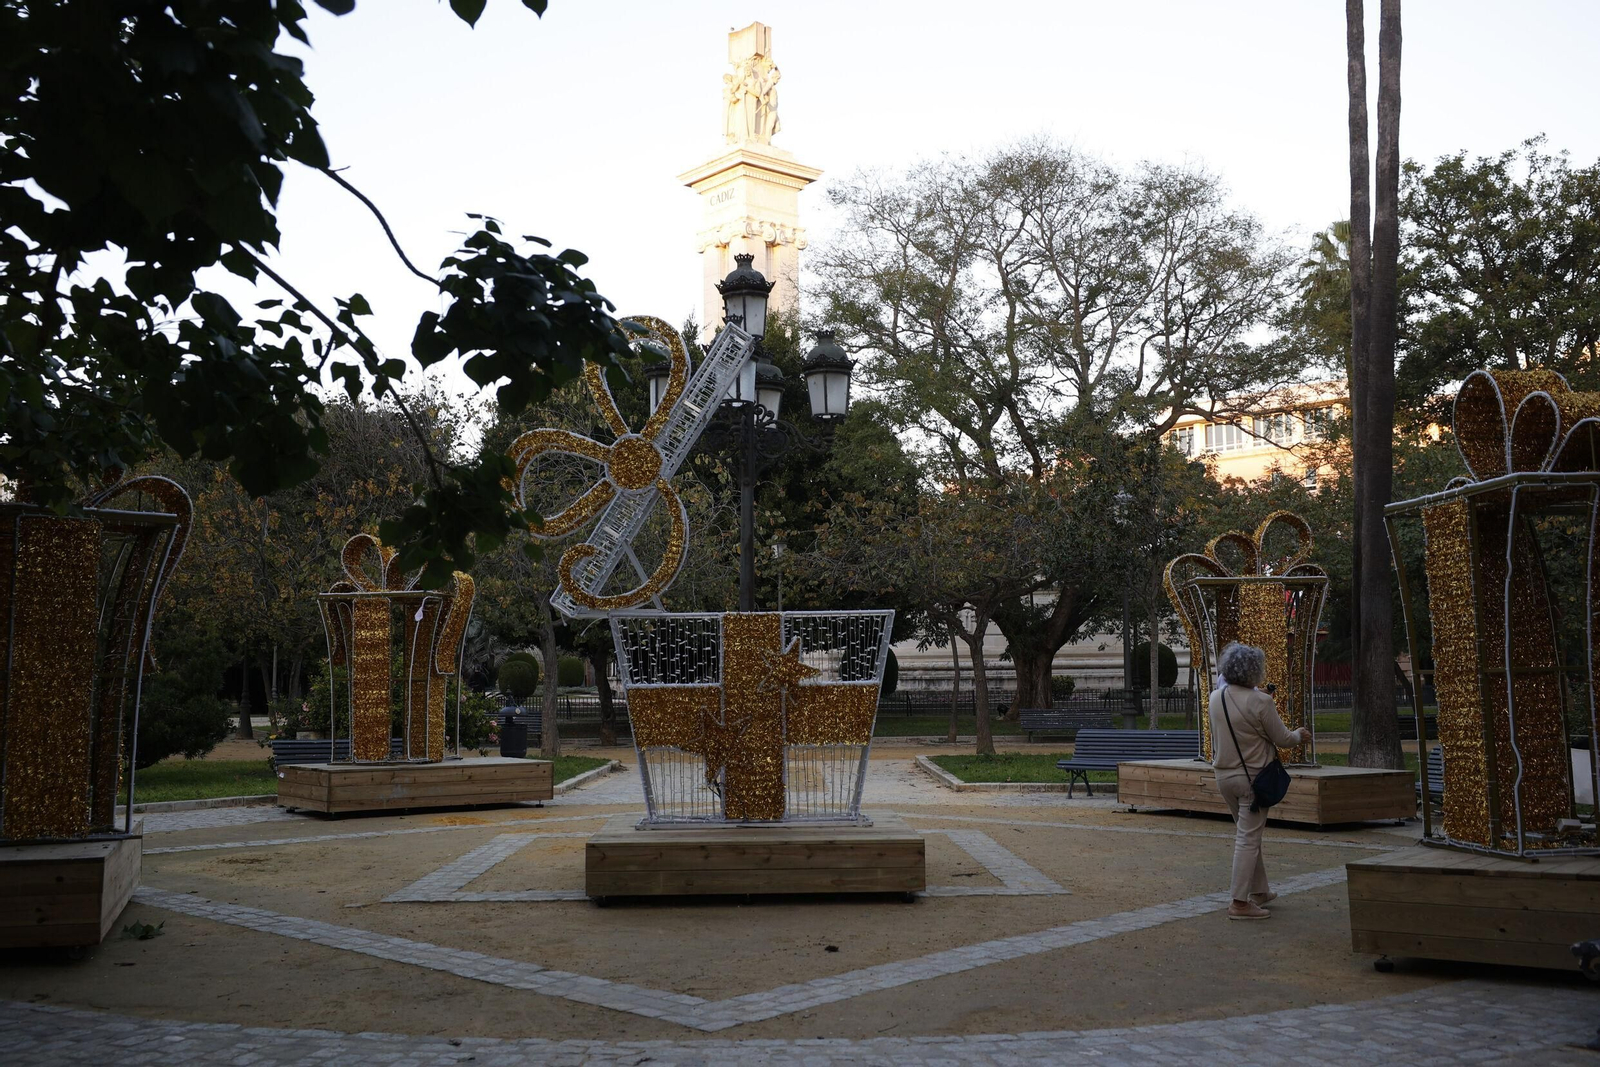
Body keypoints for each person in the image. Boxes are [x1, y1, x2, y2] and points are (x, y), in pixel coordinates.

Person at [1209, 642, 1310, 920]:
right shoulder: (1261, 701)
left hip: (1224, 776)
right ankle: (1239, 903)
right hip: (1253, 779)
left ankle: (1260, 891)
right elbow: (1283, 739)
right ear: (1255, 670)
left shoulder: (1215, 697)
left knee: (1248, 835)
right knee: (1248, 839)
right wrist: (1300, 735)